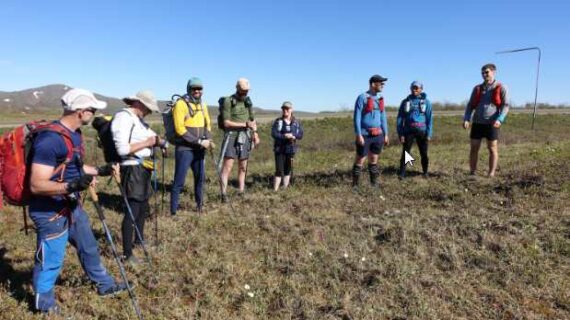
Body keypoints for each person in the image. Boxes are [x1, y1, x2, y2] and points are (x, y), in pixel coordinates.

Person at [28, 88, 127, 314]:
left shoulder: (74, 134)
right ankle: (43, 304)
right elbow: (37, 184)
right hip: (50, 210)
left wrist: (99, 171)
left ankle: (105, 284)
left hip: (71, 205)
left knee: (89, 246)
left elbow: (74, 166)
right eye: (92, 109)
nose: (94, 113)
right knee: (51, 258)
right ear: (80, 111)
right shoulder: (50, 140)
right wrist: (72, 185)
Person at [111, 90, 166, 264]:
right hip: (132, 169)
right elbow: (122, 149)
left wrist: (159, 142)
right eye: (148, 108)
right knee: (132, 210)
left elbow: (150, 138)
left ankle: (139, 240)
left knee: (142, 207)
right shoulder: (123, 118)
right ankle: (127, 255)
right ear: (139, 103)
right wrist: (148, 143)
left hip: (143, 169)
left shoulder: (138, 120)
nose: (149, 112)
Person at [170, 77, 214, 215]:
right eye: (194, 88)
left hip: (199, 149)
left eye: (199, 88)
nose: (197, 91)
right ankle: (173, 212)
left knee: (200, 179)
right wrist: (200, 141)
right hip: (185, 149)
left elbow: (208, 124)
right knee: (179, 181)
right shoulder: (180, 104)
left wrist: (209, 139)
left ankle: (200, 207)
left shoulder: (203, 105)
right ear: (188, 89)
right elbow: (179, 129)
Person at [463, 63, 510, 177]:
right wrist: (466, 118)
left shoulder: (501, 87)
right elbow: (470, 105)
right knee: (474, 147)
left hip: (492, 124)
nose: (484, 75)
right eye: (482, 73)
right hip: (478, 123)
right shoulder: (477, 88)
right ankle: (472, 172)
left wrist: (500, 119)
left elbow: (506, 106)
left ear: (493, 72)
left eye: (486, 72)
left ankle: (491, 173)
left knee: (492, 148)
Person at [219, 78, 260, 201]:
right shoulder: (228, 101)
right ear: (237, 88)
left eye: (247, 91)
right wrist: (245, 125)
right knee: (227, 167)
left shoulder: (248, 101)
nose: (245, 93)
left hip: (245, 137)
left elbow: (252, 120)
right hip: (231, 136)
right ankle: (223, 194)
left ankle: (241, 191)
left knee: (243, 166)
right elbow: (226, 123)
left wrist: (255, 134)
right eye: (243, 90)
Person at [352, 74, 389, 188]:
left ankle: (374, 185)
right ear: (373, 84)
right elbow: (357, 117)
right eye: (381, 83)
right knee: (360, 160)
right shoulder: (362, 97)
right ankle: (355, 186)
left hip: (378, 135)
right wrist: (359, 134)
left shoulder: (380, 99)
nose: (383, 85)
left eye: (383, 83)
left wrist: (386, 133)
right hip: (365, 134)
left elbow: (383, 117)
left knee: (373, 160)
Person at [397, 81, 433, 178]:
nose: (415, 89)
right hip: (408, 131)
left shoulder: (426, 102)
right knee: (406, 152)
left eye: (417, 88)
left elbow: (429, 119)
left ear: (421, 89)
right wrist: (401, 134)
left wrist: (429, 133)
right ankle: (402, 172)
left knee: (424, 153)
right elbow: (400, 118)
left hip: (422, 131)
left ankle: (425, 172)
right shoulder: (405, 102)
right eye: (413, 87)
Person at [271, 101, 304, 191]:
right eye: (283, 109)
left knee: (287, 169)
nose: (285, 110)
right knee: (279, 170)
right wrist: (284, 136)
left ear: (291, 110)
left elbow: (300, 134)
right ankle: (275, 190)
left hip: (290, 149)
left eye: (287, 109)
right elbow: (274, 134)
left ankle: (285, 189)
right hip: (279, 149)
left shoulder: (296, 122)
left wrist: (294, 136)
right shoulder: (278, 122)